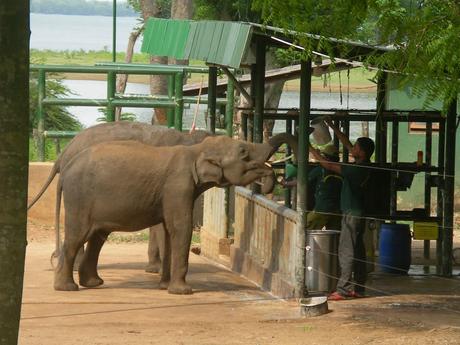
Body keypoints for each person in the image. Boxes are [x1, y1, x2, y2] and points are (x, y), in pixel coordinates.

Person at [309, 119, 375, 300]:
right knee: (359, 250)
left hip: (351, 214)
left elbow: (327, 165)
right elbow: (346, 143)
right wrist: (331, 125)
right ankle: (359, 288)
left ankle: (344, 289)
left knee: (346, 250)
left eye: (355, 147)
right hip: (358, 213)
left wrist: (308, 147)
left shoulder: (356, 170)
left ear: (361, 152)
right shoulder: (364, 164)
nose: (351, 148)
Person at [282, 144, 343, 230]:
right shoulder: (341, 170)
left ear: (326, 157)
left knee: (303, 228)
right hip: (337, 210)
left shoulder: (320, 170)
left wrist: (286, 183)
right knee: (333, 234)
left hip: (322, 209)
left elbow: (303, 182)